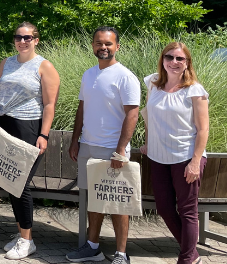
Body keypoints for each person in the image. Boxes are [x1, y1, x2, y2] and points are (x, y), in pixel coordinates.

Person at [0, 22, 60, 260]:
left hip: (29, 127)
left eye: (28, 37)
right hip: (5, 126)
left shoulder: (44, 66)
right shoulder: (6, 63)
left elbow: (49, 104)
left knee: (20, 184)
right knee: (10, 181)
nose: (22, 41)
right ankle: (21, 234)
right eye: (18, 37)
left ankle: (27, 240)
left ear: (36, 40)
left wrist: (44, 134)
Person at [66, 26, 140, 264]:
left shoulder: (125, 76)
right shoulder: (88, 75)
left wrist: (120, 150)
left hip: (113, 150)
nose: (103, 47)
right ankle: (93, 247)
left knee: (118, 202)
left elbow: (132, 115)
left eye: (108, 43)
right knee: (94, 199)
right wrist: (75, 139)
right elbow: (82, 109)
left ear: (117, 46)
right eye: (99, 43)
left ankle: (121, 254)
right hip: (88, 146)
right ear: (93, 46)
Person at [141, 42, 209, 264]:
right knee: (164, 208)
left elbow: (203, 129)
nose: (174, 62)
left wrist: (195, 162)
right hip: (158, 157)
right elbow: (149, 117)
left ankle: (187, 258)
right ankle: (192, 253)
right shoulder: (153, 84)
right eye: (170, 57)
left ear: (187, 63)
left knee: (188, 211)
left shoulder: (194, 91)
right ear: (162, 60)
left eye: (180, 59)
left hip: (185, 157)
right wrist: (148, 142)